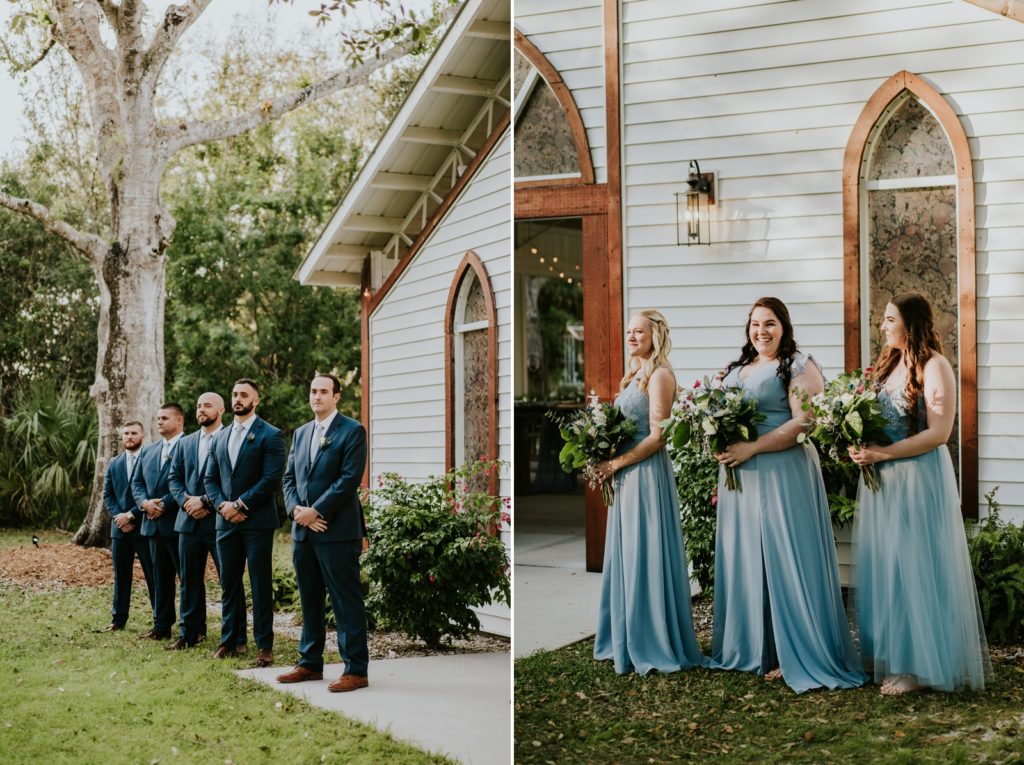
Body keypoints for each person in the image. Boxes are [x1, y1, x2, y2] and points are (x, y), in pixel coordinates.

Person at [709, 297, 866, 693]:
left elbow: (805, 423)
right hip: (740, 481)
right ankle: (753, 648)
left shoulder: (797, 364)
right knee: (748, 557)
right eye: (755, 324)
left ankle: (795, 651)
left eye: (770, 324)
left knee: (787, 556)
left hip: (783, 473)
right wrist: (716, 438)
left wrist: (752, 447)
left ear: (785, 326)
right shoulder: (737, 369)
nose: (761, 331)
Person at [849, 292, 989, 695]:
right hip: (882, 481)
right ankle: (894, 653)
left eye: (889, 319)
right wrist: (857, 442)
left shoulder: (936, 365)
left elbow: (939, 433)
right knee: (888, 568)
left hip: (917, 478)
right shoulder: (888, 366)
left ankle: (919, 665)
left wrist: (884, 452)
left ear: (910, 323)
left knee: (916, 567)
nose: (882, 325)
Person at [592, 309, 705, 675]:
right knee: (628, 554)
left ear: (655, 335)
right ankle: (625, 635)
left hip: (644, 474)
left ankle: (651, 638)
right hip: (625, 475)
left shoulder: (659, 376)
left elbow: (659, 437)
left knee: (645, 553)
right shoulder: (633, 376)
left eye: (639, 331)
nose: (631, 337)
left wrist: (616, 464)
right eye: (628, 331)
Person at [277, 373, 369, 692]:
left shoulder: (353, 431)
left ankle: (356, 669)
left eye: (324, 392)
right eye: (313, 391)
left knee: (346, 600)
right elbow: (289, 479)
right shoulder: (302, 433)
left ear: (337, 397)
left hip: (337, 530)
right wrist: (297, 513)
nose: (317, 396)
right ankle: (310, 663)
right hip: (304, 531)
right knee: (309, 598)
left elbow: (348, 479)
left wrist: (317, 511)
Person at [204, 379, 286, 668]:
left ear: (256, 401)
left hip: (257, 522)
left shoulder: (271, 435)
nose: (238, 399)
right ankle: (231, 640)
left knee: (260, 584)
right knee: (229, 583)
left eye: (244, 395)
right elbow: (210, 479)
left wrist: (241, 504)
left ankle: (265, 645)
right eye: (235, 394)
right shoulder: (221, 436)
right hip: (225, 522)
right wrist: (223, 506)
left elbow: (271, 480)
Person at [167, 392, 246, 651]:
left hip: (219, 521)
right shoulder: (185, 443)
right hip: (187, 522)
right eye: (198, 405)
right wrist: (186, 501)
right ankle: (190, 633)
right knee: (189, 580)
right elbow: (174, 478)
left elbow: (230, 482)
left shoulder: (228, 439)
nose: (201, 409)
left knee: (229, 580)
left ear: (221, 410)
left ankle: (236, 637)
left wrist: (205, 501)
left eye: (207, 405)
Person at [131, 403, 185, 640]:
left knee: (187, 579)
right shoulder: (148, 450)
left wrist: (162, 503)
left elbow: (188, 482)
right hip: (152, 524)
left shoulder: (189, 445)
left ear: (179, 420)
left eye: (164, 418)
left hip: (178, 522)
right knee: (159, 578)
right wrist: (145, 504)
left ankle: (193, 627)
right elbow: (137, 483)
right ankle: (161, 626)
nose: (159, 421)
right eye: (157, 418)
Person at [102, 420, 156, 632]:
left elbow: (150, 493)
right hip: (119, 530)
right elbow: (108, 495)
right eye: (125, 433)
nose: (129, 437)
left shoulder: (150, 459)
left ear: (142, 436)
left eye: (133, 433)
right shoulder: (114, 463)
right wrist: (119, 517)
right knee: (121, 576)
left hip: (143, 526)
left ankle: (158, 619)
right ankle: (118, 619)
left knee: (153, 574)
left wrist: (131, 515)